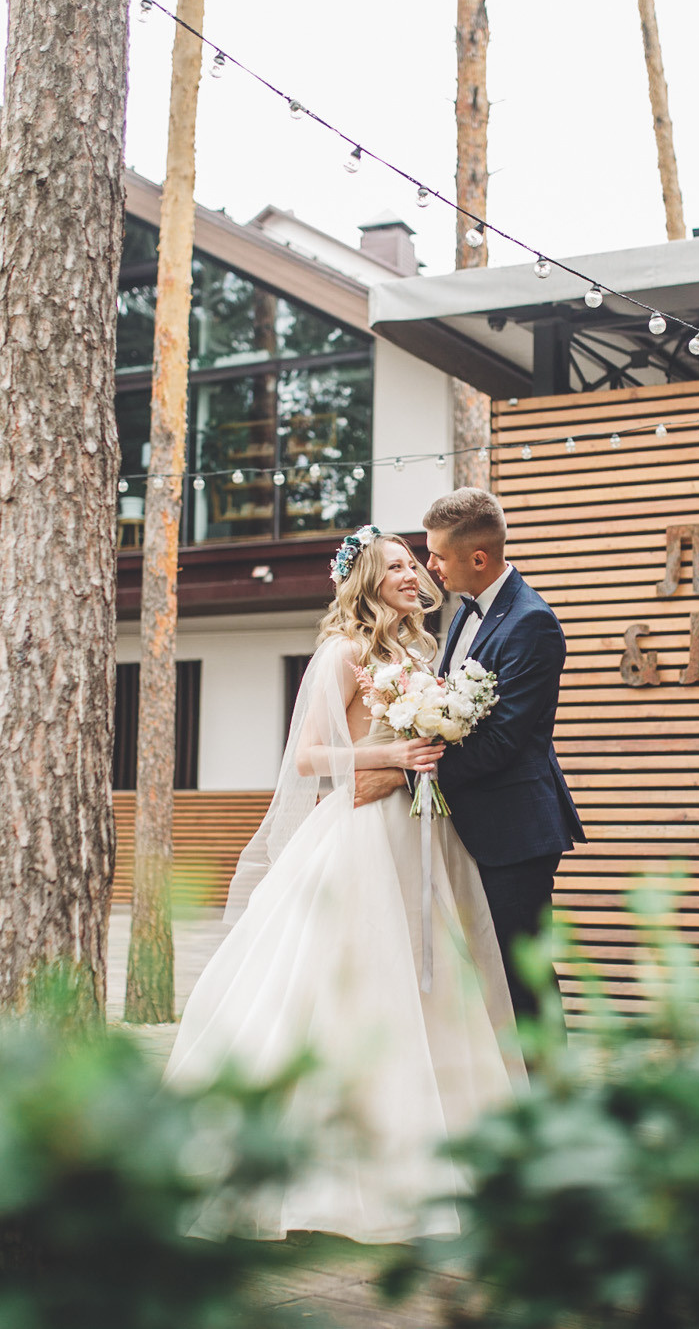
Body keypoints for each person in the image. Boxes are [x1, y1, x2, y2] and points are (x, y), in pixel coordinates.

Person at [164, 527, 523, 1245]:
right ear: (364, 579)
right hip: (360, 831)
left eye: (413, 564)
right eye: (393, 565)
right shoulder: (344, 651)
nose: (410, 574)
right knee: (350, 978)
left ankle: (443, 1141)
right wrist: (394, 748)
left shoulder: (426, 651)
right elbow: (307, 760)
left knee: (435, 981)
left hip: (424, 828)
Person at [358, 488, 584, 1018]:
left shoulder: (533, 623)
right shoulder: (463, 613)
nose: (428, 565)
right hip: (464, 823)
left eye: (435, 554)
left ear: (477, 558)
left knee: (519, 976)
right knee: (479, 973)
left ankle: (546, 1093)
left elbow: (502, 743)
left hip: (513, 832)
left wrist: (399, 777)